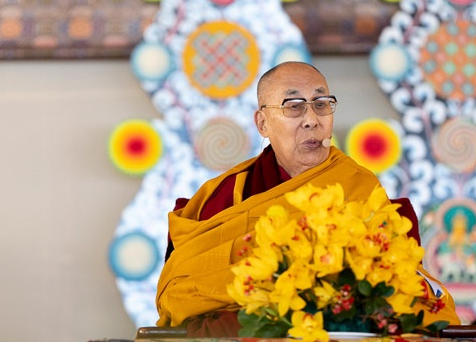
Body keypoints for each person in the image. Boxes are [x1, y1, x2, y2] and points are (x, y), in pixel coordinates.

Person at [155, 61, 460, 336]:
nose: (312, 119)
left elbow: (395, 276)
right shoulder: (224, 195)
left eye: (322, 104)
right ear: (263, 123)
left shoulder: (357, 186)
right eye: (294, 106)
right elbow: (178, 288)